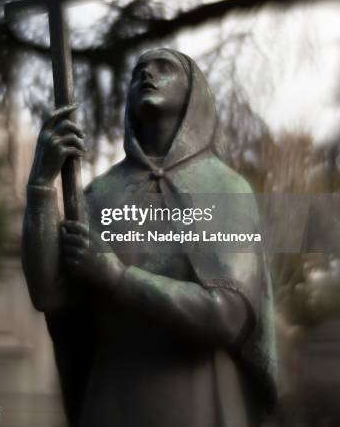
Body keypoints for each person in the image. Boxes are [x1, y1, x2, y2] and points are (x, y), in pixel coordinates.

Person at [22, 48, 277, 427]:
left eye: (164, 67)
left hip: (197, 398)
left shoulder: (224, 188)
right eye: (138, 69)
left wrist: (116, 277)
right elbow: (51, 295)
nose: (147, 73)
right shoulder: (99, 194)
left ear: (194, 95)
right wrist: (41, 186)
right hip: (112, 397)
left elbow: (230, 315)